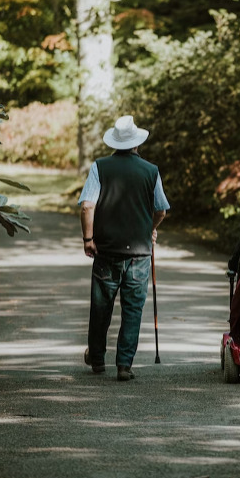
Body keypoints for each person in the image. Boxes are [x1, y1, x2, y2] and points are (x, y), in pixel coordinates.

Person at [78, 115, 170, 382]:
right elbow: (161, 210)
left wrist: (88, 238)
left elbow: (87, 205)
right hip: (140, 255)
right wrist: (149, 228)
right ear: (137, 143)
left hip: (106, 251)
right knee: (133, 309)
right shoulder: (151, 171)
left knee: (101, 307)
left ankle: (96, 359)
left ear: (115, 143)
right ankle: (124, 365)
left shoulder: (100, 167)